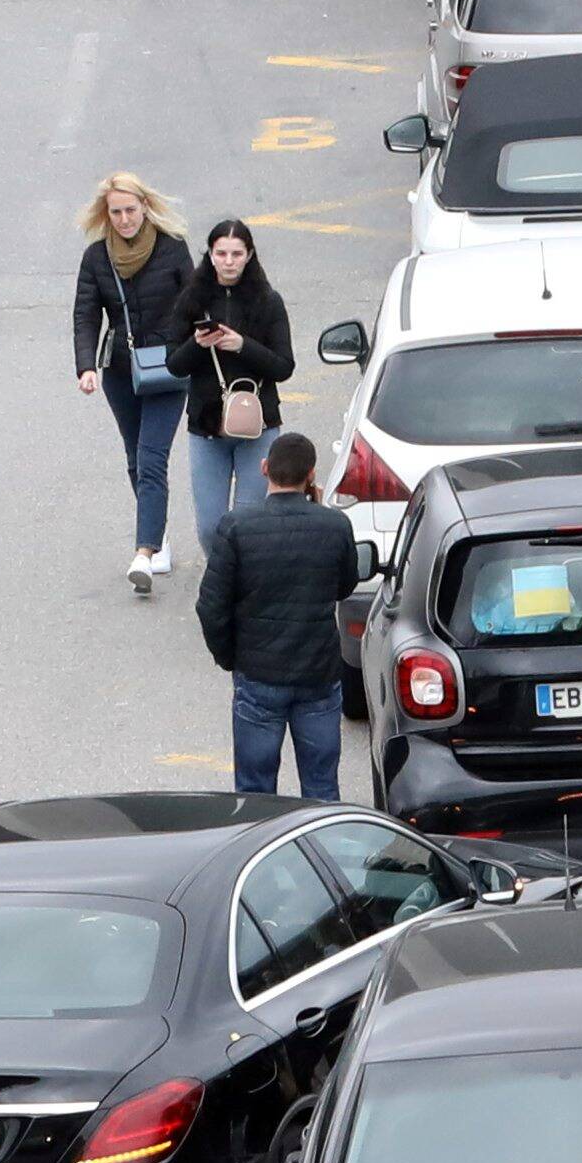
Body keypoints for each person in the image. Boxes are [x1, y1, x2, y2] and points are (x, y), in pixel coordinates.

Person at [191, 432, 365, 803]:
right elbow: (345, 586)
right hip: (318, 674)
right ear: (311, 474)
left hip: (259, 675)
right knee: (321, 787)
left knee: (255, 793)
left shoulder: (238, 527)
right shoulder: (334, 525)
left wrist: (230, 657)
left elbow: (210, 606)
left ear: (265, 469)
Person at [68, 172, 200, 588]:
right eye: (116, 212)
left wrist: (193, 346)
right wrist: (86, 366)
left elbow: (196, 304)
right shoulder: (96, 258)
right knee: (134, 456)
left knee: (151, 457)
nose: (124, 219)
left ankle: (144, 554)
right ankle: (157, 535)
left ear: (145, 208)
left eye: (130, 210)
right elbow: (86, 315)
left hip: (169, 369)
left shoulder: (172, 249)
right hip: (122, 372)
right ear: (105, 215)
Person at [164, 219, 294, 554]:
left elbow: (284, 366)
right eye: (221, 253)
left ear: (249, 255)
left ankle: (241, 594)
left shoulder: (268, 301)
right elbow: (174, 365)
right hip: (206, 427)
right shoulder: (191, 300)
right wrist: (197, 343)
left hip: (258, 426)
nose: (229, 261)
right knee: (210, 527)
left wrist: (242, 345)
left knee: (249, 523)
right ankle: (221, 579)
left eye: (237, 253)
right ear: (210, 255)